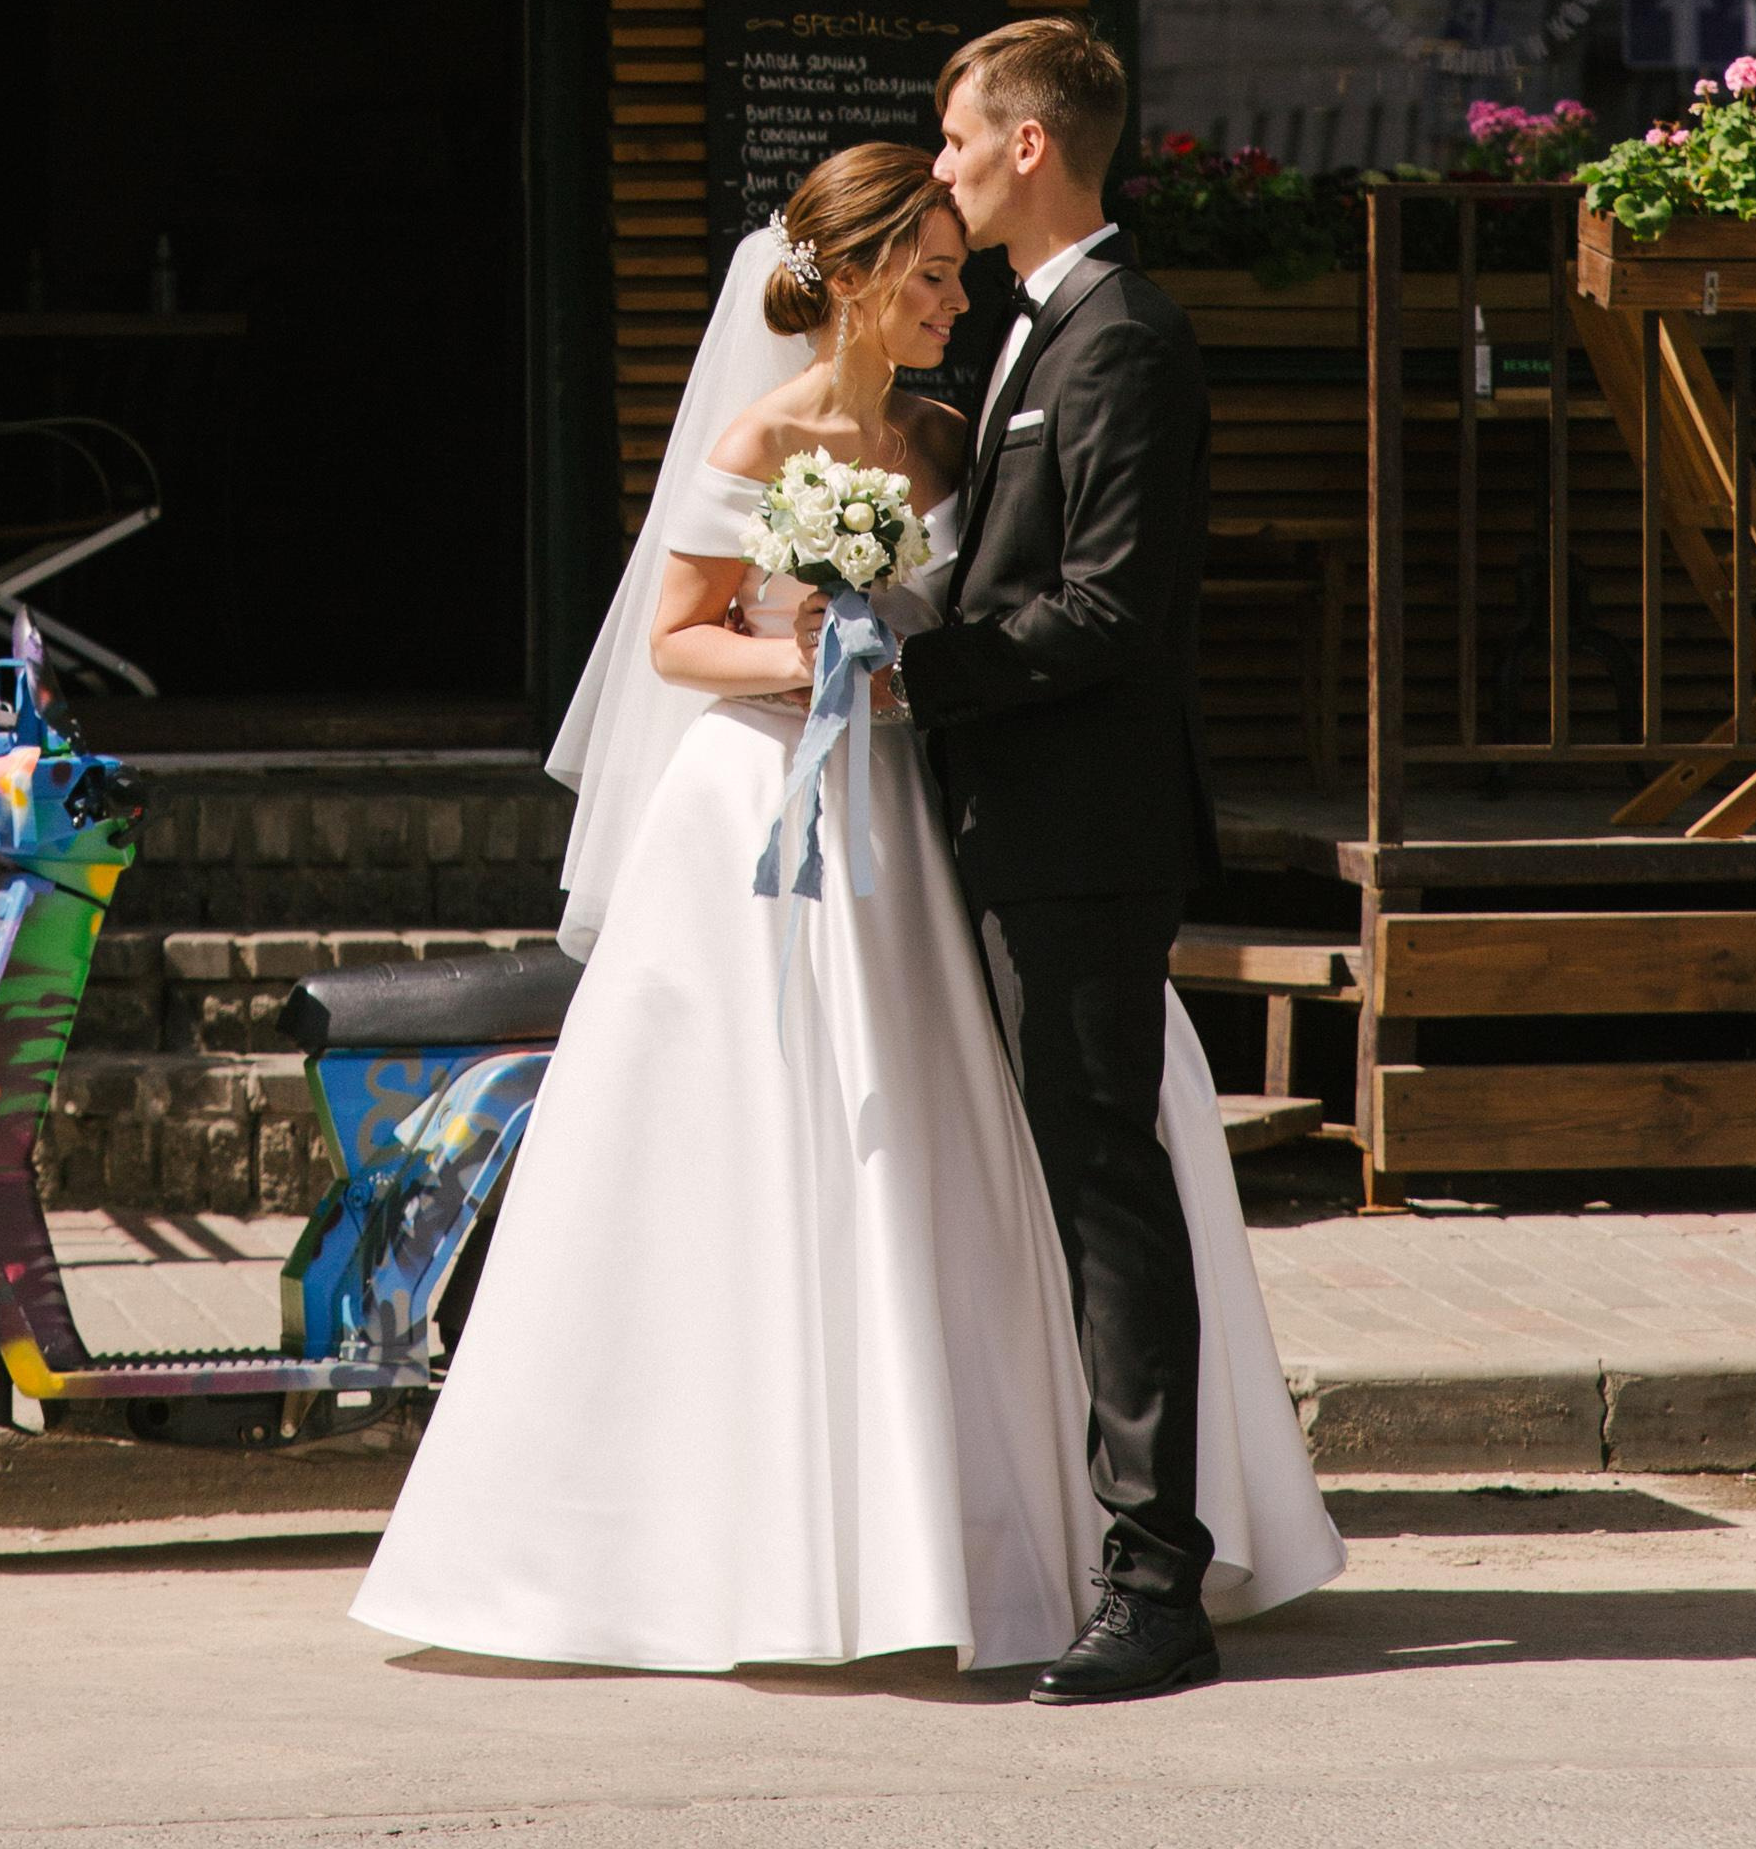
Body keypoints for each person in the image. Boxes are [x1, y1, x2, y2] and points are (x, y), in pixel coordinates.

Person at [350, 138, 1339, 1681]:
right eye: (932, 276)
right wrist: (816, 665)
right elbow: (678, 639)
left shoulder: (946, 437)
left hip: (924, 812)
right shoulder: (761, 435)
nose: (956, 299)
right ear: (860, 279)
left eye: (957, 272)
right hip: (770, 806)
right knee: (785, 1146)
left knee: (944, 1147)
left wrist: (905, 671)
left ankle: (965, 1520)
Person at [904, 14, 1226, 1701]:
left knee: (1106, 1184)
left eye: (958, 138)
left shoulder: (1125, 342)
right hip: (1009, 822)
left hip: (1084, 834)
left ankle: (1157, 1583)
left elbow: (1104, 608)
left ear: (1028, 145)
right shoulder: (1039, 329)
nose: (942, 167)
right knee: (1066, 1172)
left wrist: (907, 673)